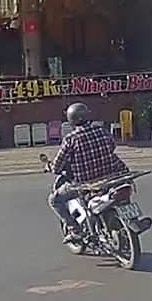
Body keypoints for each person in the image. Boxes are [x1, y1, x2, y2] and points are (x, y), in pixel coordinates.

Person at [48, 102, 128, 242]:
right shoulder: (102, 131)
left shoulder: (71, 139)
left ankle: (76, 230)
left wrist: (51, 167)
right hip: (111, 178)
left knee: (54, 200)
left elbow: (57, 167)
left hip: (85, 184)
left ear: (71, 120)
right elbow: (112, 146)